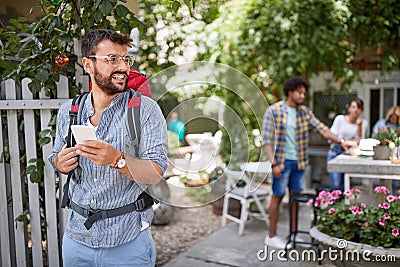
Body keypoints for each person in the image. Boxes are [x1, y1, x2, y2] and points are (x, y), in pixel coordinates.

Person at [48, 29, 168, 266]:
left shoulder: (145, 110)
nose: (123, 67)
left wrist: (118, 160)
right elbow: (55, 156)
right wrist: (59, 163)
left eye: (126, 59)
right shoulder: (69, 111)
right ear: (88, 64)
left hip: (128, 242)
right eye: (112, 59)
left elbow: (155, 173)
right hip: (77, 241)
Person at [262, 76, 357, 249]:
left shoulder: (304, 112)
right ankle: (272, 235)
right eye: (299, 92)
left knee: (295, 198)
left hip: (299, 163)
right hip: (281, 163)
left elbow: (323, 130)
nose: (302, 96)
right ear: (290, 91)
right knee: (277, 196)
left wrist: (341, 141)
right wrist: (273, 163)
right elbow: (267, 140)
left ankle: (293, 235)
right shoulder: (274, 111)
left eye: (304, 93)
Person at [327, 98, 368, 190]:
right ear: (349, 108)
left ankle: (341, 204)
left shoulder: (363, 122)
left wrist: (360, 126)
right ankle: (334, 203)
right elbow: (331, 137)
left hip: (349, 155)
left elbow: (359, 140)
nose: (355, 110)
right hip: (335, 152)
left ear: (361, 110)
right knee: (336, 185)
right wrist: (344, 142)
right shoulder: (340, 119)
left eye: (358, 108)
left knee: (345, 186)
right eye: (353, 107)